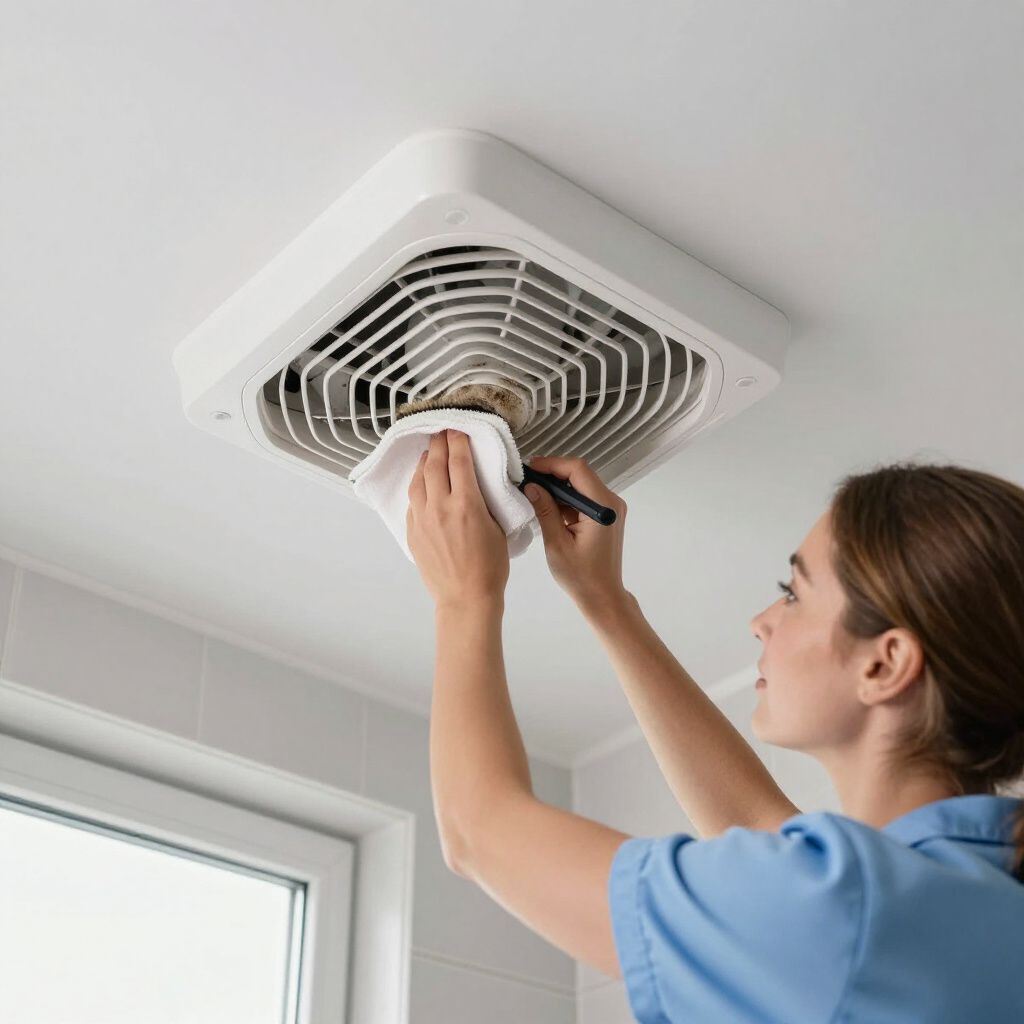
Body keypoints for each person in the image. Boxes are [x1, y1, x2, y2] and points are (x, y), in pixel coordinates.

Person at [407, 430, 1024, 1023]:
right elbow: (759, 826)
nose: (762, 621)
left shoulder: (851, 912)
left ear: (884, 663)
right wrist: (607, 603)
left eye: (793, 593)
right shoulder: (976, 898)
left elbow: (478, 830)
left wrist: (465, 599)